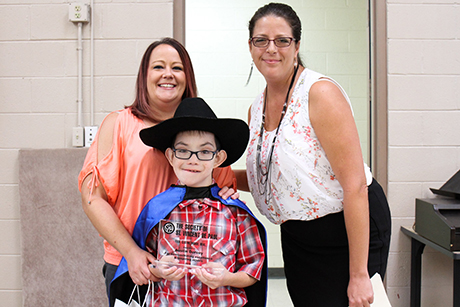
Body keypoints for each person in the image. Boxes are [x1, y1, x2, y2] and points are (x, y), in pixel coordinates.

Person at [234, 3, 391, 307]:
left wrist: (358, 274)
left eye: (282, 40)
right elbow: (273, 179)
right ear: (250, 46)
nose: (271, 49)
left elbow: (355, 185)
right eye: (261, 40)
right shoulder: (256, 109)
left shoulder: (319, 94)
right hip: (298, 235)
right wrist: (219, 176)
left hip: (347, 230)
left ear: (297, 46)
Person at [78, 38, 237, 305]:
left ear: (187, 77)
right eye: (158, 67)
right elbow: (92, 199)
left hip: (191, 268)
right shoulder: (119, 124)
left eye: (177, 67)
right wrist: (132, 253)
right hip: (132, 264)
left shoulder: (209, 134)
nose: (168, 74)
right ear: (144, 76)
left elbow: (221, 196)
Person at [110, 97, 267, 307]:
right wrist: (158, 269)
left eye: (204, 152)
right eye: (183, 150)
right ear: (171, 156)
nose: (193, 159)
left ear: (218, 159)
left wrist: (227, 278)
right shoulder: (156, 211)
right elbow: (144, 267)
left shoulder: (236, 213)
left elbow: (253, 268)